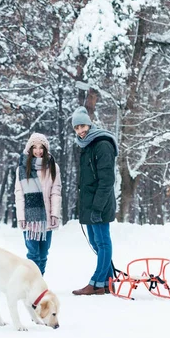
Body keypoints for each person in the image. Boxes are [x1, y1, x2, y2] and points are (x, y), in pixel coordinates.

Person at [71, 106, 119, 296]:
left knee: (102, 241)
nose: (80, 131)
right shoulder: (87, 145)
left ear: (89, 124)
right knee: (95, 241)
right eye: (76, 128)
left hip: (100, 203)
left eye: (82, 126)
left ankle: (97, 282)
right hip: (90, 203)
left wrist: (97, 207)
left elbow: (106, 180)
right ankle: (108, 282)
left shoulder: (102, 144)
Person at [15, 133, 62, 276]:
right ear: (29, 149)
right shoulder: (22, 169)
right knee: (32, 254)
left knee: (43, 254)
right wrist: (21, 217)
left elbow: (56, 191)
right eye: (34, 147)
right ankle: (32, 284)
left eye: (41, 147)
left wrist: (54, 214)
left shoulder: (53, 167)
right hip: (31, 220)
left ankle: (39, 282)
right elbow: (19, 194)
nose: (38, 151)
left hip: (47, 219)